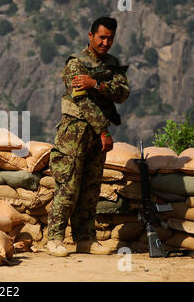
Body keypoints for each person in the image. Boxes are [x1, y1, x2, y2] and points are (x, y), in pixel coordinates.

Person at [47, 17, 130, 257]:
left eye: (110, 38)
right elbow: (81, 101)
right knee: (68, 187)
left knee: (91, 188)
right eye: (102, 37)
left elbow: (122, 93)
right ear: (90, 35)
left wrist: (96, 84)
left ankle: (85, 238)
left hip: (96, 135)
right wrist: (103, 130)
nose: (106, 42)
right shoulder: (75, 63)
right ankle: (54, 238)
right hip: (74, 133)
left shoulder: (112, 64)